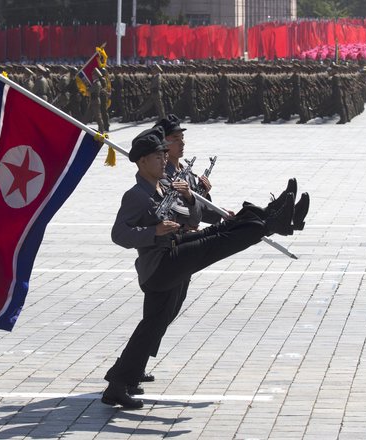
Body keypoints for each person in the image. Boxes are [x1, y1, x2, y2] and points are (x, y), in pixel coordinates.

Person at [101, 126, 309, 409]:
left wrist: (189, 199)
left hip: (174, 256)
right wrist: (155, 231)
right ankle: (273, 223)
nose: (165, 160)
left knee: (155, 322)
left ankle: (271, 216)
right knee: (219, 242)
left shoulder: (164, 186)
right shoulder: (136, 195)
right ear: (141, 162)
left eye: (165, 154)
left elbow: (195, 217)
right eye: (158, 156)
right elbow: (119, 234)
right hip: (161, 265)